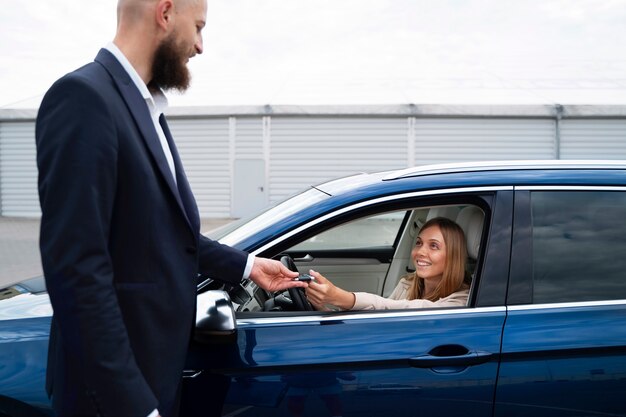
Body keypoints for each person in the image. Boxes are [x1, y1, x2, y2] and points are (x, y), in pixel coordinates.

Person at [35, 1, 304, 416]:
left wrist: (248, 266)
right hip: (112, 397)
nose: (200, 46)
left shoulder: (147, 109)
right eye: (197, 27)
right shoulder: (84, 98)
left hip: (152, 377)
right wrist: (135, 406)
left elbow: (162, 232)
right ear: (165, 13)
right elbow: (77, 274)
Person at [305, 217, 470, 310]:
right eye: (419, 243)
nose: (420, 252)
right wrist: (321, 308)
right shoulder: (407, 284)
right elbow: (380, 321)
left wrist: (339, 297)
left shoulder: (461, 301)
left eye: (433, 246)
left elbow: (392, 307)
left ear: (453, 256)